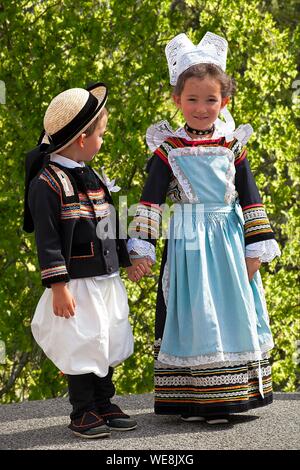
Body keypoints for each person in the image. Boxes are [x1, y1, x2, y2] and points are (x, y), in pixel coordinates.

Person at [127, 32, 281, 424]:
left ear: (224, 102)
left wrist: (255, 248)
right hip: (188, 245)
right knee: (194, 312)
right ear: (177, 100)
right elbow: (150, 201)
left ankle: (227, 397)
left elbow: (251, 197)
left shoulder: (233, 146)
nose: (201, 107)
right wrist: (140, 248)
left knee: (231, 312)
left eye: (210, 100)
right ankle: (197, 398)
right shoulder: (167, 149)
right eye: (192, 99)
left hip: (229, 245)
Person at [23, 82, 138, 438]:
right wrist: (58, 285)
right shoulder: (48, 183)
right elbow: (48, 238)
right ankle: (83, 410)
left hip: (105, 278)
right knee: (82, 341)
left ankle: (105, 401)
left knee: (108, 335)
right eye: (101, 135)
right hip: (76, 283)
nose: (104, 141)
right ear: (83, 139)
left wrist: (128, 257)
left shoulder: (92, 176)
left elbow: (110, 222)